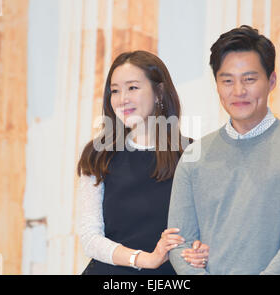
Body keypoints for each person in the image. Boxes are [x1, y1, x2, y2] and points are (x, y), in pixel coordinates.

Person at [168, 25, 280, 275]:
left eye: (249, 79)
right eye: (227, 81)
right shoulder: (193, 156)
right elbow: (179, 243)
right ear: (217, 85)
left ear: (271, 81)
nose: (238, 91)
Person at [77, 50, 209, 275]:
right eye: (115, 90)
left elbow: (204, 228)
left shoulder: (191, 154)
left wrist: (200, 249)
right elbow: (90, 237)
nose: (122, 99)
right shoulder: (98, 154)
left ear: (158, 92)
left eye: (133, 88)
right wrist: (145, 259)